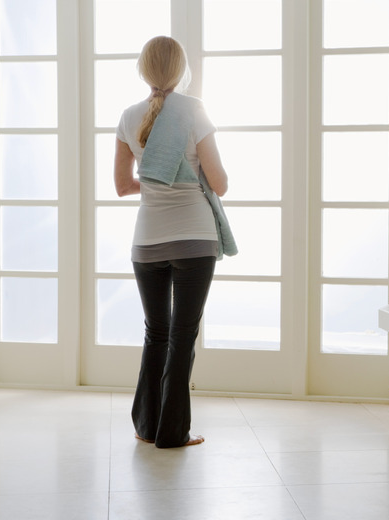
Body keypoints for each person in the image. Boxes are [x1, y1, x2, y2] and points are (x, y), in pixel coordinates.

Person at [113, 36, 229, 448]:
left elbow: (123, 185)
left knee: (156, 332)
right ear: (179, 71)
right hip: (194, 239)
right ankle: (174, 432)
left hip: (147, 241)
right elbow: (220, 183)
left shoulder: (128, 117)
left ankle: (147, 426)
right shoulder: (193, 111)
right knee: (183, 335)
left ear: (144, 70)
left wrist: (156, 178)